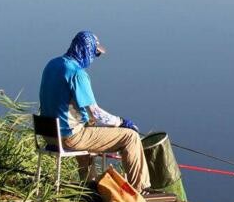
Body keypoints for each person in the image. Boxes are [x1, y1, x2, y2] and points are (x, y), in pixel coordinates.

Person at [39, 31, 151, 192]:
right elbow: (96, 113)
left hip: (49, 136)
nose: (93, 58)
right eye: (94, 53)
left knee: (89, 125)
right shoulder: (77, 74)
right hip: (69, 138)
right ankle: (140, 190)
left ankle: (89, 184)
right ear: (86, 51)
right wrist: (121, 122)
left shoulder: (52, 64)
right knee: (130, 137)